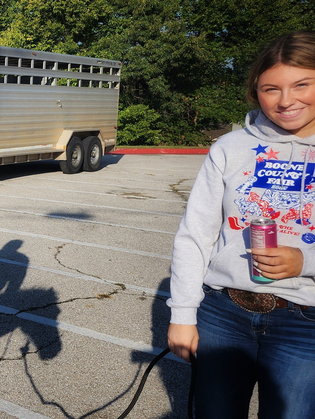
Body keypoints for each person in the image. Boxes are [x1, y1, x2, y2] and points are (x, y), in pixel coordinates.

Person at [167, 30, 315, 419]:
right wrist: (182, 314)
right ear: (255, 91)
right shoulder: (230, 149)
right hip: (223, 314)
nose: (286, 101)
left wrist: (306, 262)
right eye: (271, 88)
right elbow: (196, 235)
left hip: (305, 322)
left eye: (302, 84)